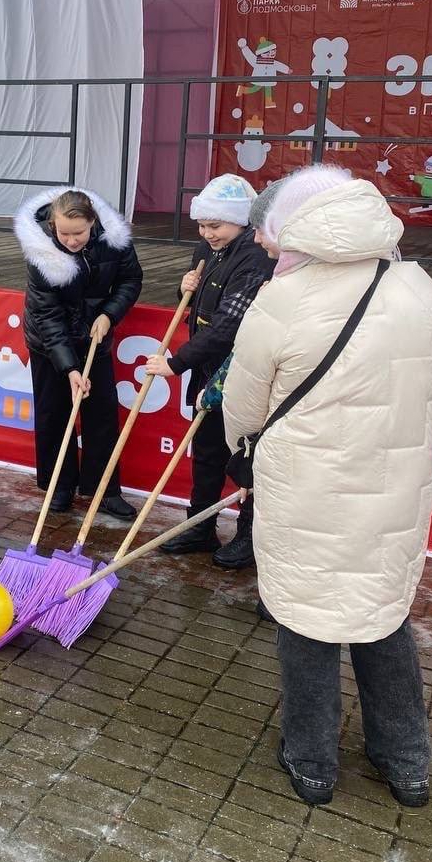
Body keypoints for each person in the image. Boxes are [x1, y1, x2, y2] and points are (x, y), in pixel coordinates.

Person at [223, 166, 432, 807]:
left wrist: (250, 447)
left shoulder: (281, 299)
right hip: (393, 490)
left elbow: (244, 408)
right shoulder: (418, 288)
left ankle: (311, 761)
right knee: (383, 620)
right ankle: (405, 763)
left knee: (306, 623)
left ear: (297, 227)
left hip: (302, 491)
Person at [145, 173, 274, 567]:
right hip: (207, 371)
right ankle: (199, 526)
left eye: (214, 225)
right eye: (202, 225)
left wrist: (176, 361)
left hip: (239, 372)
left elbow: (228, 325)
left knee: (244, 459)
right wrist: (185, 288)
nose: (207, 233)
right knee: (205, 450)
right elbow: (202, 303)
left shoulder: (253, 257)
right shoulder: (209, 248)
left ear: (240, 222)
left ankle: (248, 538)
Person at [15, 186, 143, 520]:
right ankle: (59, 485)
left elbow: (131, 280)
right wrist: (70, 369)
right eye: (64, 234)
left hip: (95, 337)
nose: (72, 241)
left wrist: (109, 314)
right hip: (49, 343)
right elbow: (46, 315)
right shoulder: (40, 250)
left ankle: (105, 490)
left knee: (101, 415)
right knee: (55, 413)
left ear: (94, 223)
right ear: (53, 227)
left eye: (79, 233)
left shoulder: (113, 240)